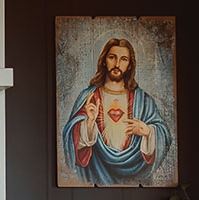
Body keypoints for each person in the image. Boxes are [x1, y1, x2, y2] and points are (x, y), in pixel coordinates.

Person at [61, 38, 172, 186]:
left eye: (124, 59)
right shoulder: (89, 97)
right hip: (96, 172)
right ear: (104, 60)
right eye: (112, 57)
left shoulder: (143, 100)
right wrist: (88, 124)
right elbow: (69, 136)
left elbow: (164, 134)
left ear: (130, 65)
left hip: (135, 175)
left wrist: (148, 131)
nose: (117, 64)